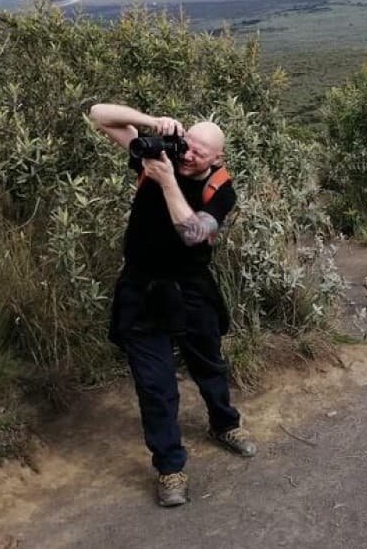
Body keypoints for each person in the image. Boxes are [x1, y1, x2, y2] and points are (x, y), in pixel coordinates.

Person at [88, 103, 257, 507]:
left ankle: (224, 424)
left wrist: (166, 183)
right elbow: (98, 114)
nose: (188, 154)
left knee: (209, 362)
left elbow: (194, 234)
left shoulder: (221, 188)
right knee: (155, 384)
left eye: (200, 151)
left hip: (191, 287)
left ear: (217, 158)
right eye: (186, 144)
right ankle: (170, 468)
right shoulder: (158, 156)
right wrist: (152, 123)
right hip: (141, 288)